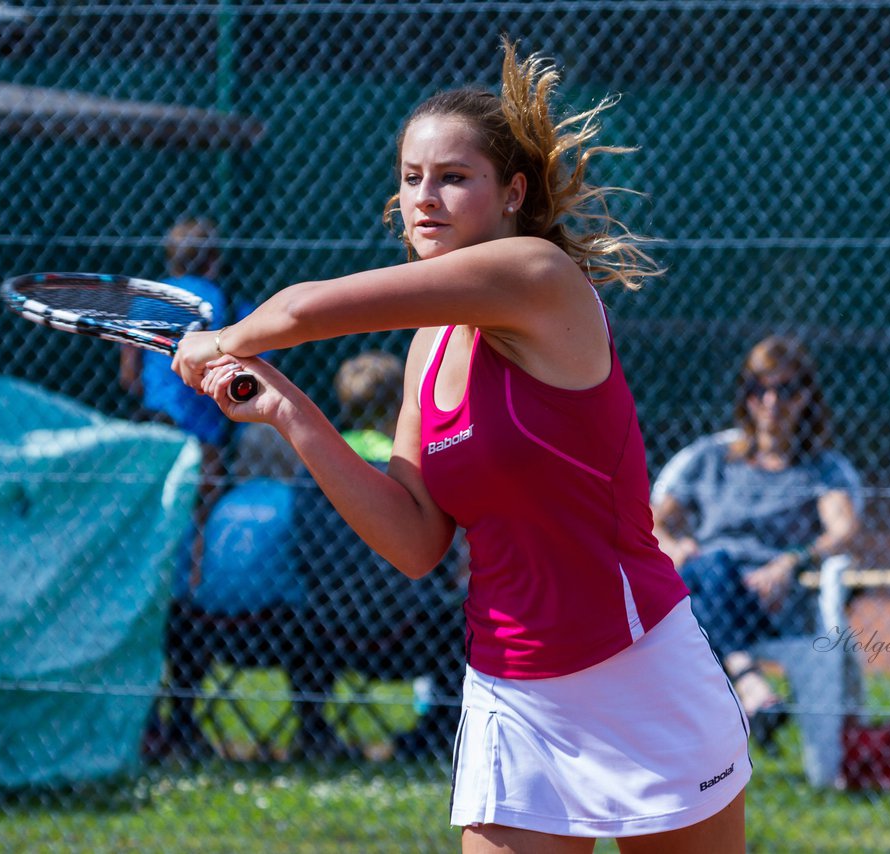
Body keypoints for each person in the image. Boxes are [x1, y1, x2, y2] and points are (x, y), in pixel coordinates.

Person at [171, 37, 749, 853]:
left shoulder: (538, 276)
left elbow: (302, 313)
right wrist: (290, 412)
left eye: (453, 177)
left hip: (637, 670)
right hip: (511, 689)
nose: (424, 199)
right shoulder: (429, 346)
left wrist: (220, 336)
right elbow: (413, 538)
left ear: (512, 193)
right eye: (411, 178)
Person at [650, 334, 863, 753]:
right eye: (758, 389)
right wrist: (674, 546)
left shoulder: (821, 469)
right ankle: (749, 681)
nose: (771, 402)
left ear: (806, 397)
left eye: (785, 390)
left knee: (703, 574)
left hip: (773, 603)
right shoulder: (711, 458)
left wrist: (791, 562)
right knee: (709, 564)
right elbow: (653, 520)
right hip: (705, 582)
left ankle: (748, 693)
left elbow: (844, 532)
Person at [289, 350, 466, 762]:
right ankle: (436, 734)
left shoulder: (319, 463)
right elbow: (443, 557)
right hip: (406, 632)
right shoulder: (406, 462)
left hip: (327, 630)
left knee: (293, 614)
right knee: (464, 621)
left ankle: (314, 730)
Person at [124, 216, 234, 761]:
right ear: (212, 262)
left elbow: (128, 376)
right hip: (202, 447)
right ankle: (184, 723)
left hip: (153, 441)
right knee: (191, 571)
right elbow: (233, 361)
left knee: (150, 571)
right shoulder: (212, 297)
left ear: (169, 263)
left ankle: (149, 724)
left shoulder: (147, 298)